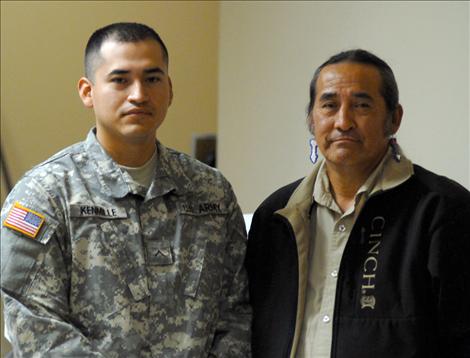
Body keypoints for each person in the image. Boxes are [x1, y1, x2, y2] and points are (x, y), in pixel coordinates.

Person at [1, 22, 251, 357]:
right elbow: (33, 324)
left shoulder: (210, 193)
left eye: (152, 79)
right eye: (120, 80)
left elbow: (236, 312)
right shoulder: (45, 194)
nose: (139, 94)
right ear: (88, 91)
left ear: (170, 89)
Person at [246, 49, 470, 358]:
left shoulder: (442, 210)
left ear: (394, 118)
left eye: (362, 106)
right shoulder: (277, 215)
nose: (343, 121)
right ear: (312, 118)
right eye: (329, 105)